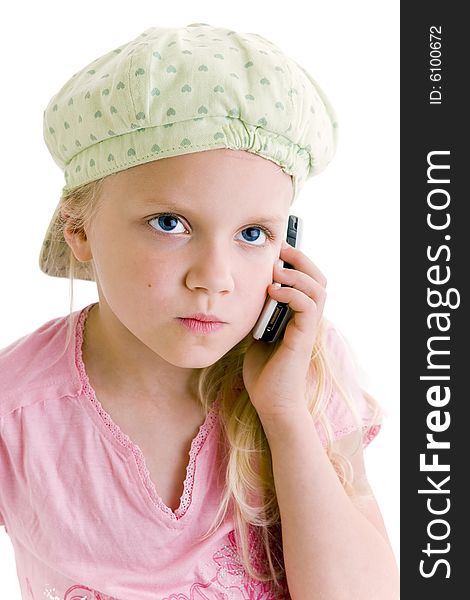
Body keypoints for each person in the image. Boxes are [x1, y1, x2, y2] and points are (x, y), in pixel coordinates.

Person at [0, 23, 399, 599]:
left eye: (252, 233)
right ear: (80, 231)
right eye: (171, 224)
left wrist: (284, 412)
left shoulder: (304, 372)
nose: (214, 278)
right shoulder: (18, 408)